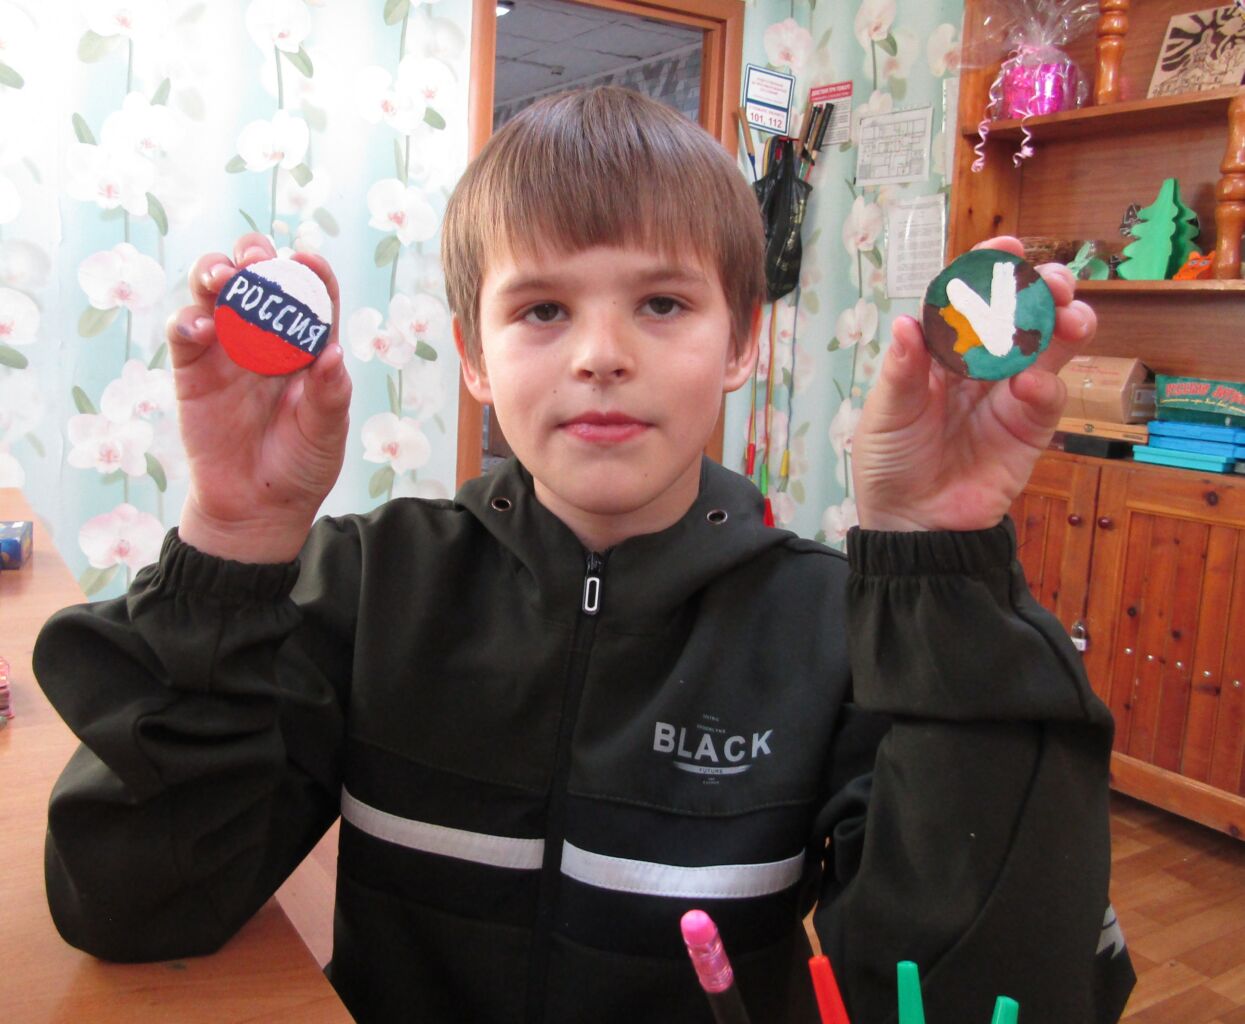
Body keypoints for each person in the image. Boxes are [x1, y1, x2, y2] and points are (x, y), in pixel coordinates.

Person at [34, 86, 1135, 1023]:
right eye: (542, 309)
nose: (602, 355)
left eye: (661, 302)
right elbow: (133, 904)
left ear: (741, 339)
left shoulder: (832, 627)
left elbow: (983, 996)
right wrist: (234, 538)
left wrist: (942, 572)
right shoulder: (374, 583)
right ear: (473, 356)